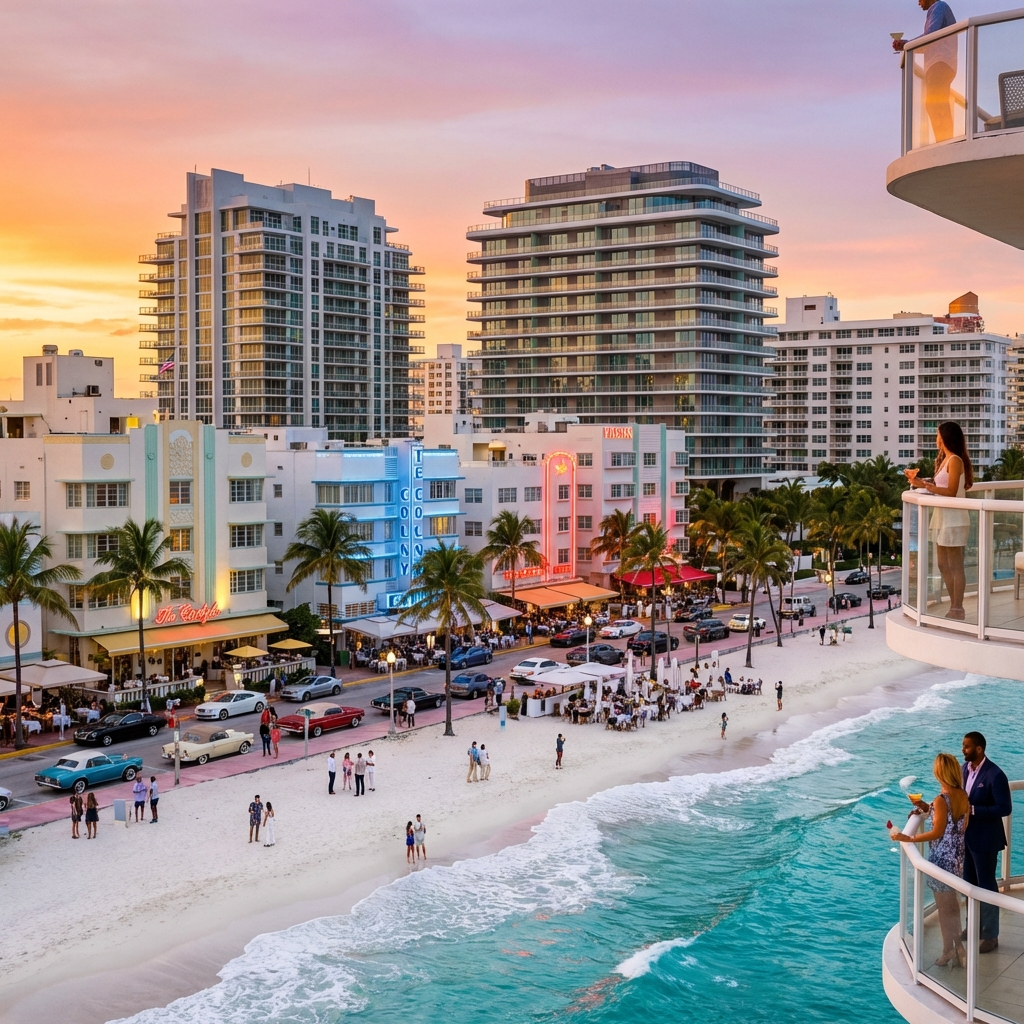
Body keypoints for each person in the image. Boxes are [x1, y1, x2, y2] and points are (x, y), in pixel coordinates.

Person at [891, 753, 969, 967]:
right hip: (956, 858)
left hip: (941, 861)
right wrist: (927, 807)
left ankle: (949, 951)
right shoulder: (962, 795)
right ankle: (958, 949)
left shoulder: (942, 799)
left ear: (940, 773)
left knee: (945, 910)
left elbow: (937, 832)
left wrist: (909, 838)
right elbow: (951, 822)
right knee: (952, 907)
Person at [906, 422, 973, 620]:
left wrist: (929, 487)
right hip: (942, 517)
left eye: (938, 435)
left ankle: (957, 608)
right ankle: (954, 605)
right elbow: (939, 486)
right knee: (943, 564)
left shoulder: (955, 460)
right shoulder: (945, 460)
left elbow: (951, 491)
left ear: (944, 437)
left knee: (955, 565)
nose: (936, 439)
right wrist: (919, 483)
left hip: (954, 518)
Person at [961, 731, 1012, 951]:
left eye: (967, 746)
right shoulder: (964, 769)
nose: (963, 749)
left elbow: (1005, 808)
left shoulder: (995, 774)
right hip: (967, 838)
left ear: (979, 749)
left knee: (987, 885)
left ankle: (991, 935)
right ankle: (972, 925)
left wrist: (973, 810)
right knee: (968, 883)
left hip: (986, 840)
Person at [893, 0, 959, 144]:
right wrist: (907, 45)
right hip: (941, 63)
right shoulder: (937, 9)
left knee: (935, 103)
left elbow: (929, 37)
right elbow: (928, 43)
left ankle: (945, 141)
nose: (918, 3)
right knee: (935, 103)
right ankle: (945, 141)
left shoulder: (938, 7)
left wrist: (906, 44)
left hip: (940, 63)